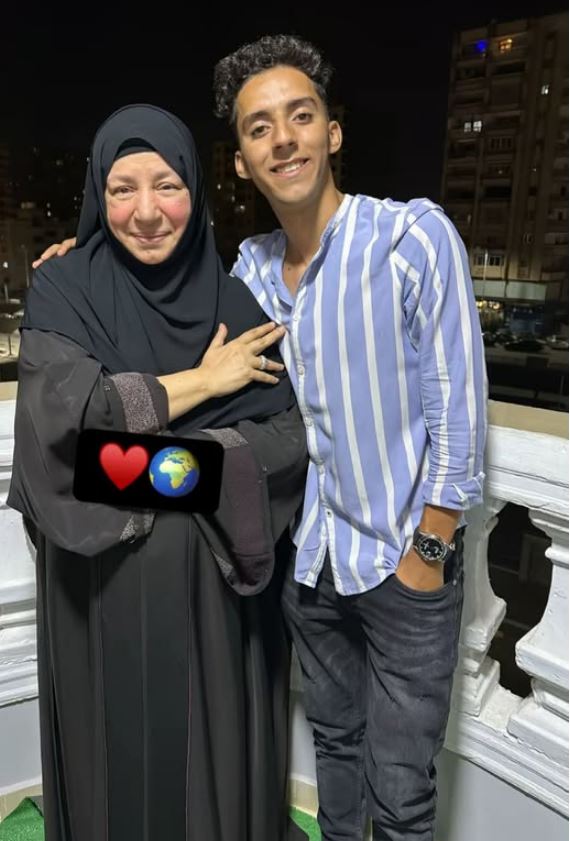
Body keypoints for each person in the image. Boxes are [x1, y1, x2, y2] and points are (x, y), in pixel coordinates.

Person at [211, 35, 488, 841]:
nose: (283, 138)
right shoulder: (249, 272)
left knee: (400, 792)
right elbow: (165, 302)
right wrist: (80, 255)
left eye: (300, 116)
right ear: (242, 163)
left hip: (405, 566)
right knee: (335, 749)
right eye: (259, 128)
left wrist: (427, 553)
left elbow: (458, 412)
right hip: (309, 567)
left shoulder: (410, 238)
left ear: (332, 132)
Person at [8, 104, 309, 841]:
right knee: (113, 767)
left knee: (204, 774)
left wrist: (131, 461)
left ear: (195, 191)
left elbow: (287, 442)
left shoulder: (233, 301)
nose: (146, 212)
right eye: (122, 189)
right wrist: (204, 385)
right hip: (97, 596)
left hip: (213, 603)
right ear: (98, 194)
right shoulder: (63, 289)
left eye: (167, 185)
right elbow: (64, 436)